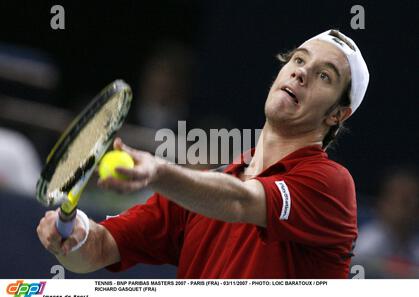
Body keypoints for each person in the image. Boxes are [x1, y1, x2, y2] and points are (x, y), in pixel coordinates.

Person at [37, 29, 369, 278]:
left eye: (324, 75)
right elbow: (98, 249)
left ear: (337, 115)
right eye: (298, 59)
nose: (301, 72)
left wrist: (159, 171)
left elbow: (241, 202)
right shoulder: (203, 190)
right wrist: (73, 235)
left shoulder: (331, 185)